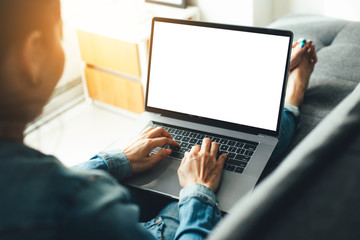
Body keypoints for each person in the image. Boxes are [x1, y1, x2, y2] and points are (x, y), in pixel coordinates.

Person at [0, 1, 317, 239]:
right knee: (244, 151)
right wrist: (197, 191)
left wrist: (113, 162)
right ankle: (291, 94)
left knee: (154, 144)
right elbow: (67, 199)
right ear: (33, 55)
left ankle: (269, 79)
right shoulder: (79, 205)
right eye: (58, 33)